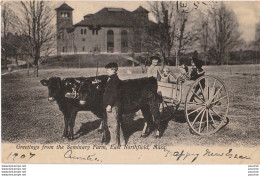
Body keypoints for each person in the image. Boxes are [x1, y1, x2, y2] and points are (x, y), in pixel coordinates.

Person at [103, 62, 124, 146]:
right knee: (116, 123)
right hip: (113, 105)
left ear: (113, 70)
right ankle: (122, 142)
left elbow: (114, 94)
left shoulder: (114, 80)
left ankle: (114, 143)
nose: (106, 71)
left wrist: (109, 105)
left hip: (112, 105)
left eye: (108, 69)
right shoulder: (112, 78)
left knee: (112, 125)